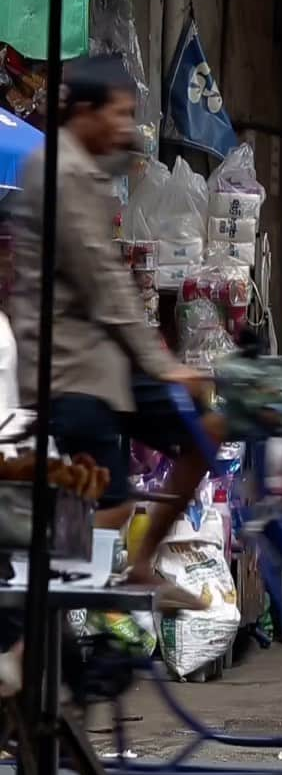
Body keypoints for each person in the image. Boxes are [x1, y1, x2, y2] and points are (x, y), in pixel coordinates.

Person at [11, 55, 224, 607]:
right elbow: (102, 281)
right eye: (120, 114)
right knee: (104, 505)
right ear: (85, 111)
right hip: (71, 372)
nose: (127, 129)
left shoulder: (80, 169)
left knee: (207, 426)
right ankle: (32, 644)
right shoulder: (60, 172)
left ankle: (131, 568)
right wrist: (165, 365)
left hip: (106, 367)